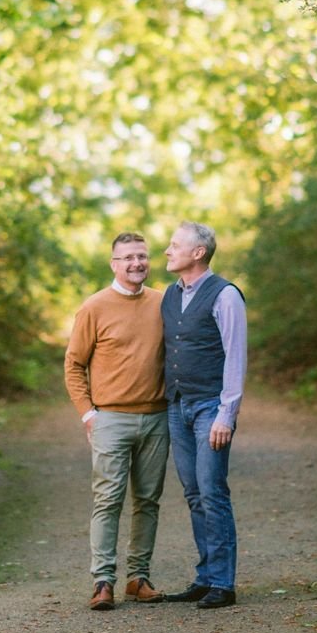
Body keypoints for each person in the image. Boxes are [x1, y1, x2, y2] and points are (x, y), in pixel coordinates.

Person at [64, 232, 170, 611]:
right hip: (111, 418)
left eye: (141, 256)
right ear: (114, 264)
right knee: (107, 500)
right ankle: (102, 581)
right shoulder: (93, 308)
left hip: (157, 417)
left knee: (148, 501)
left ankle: (138, 578)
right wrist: (88, 412)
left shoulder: (163, 302)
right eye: (127, 257)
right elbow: (74, 364)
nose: (136, 263)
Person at [161, 221, 247, 610]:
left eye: (175, 245)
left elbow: (235, 355)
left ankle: (223, 583)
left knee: (213, 492)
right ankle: (205, 577)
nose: (167, 250)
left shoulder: (225, 295)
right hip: (177, 406)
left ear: (198, 253)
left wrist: (226, 414)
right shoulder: (169, 294)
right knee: (194, 494)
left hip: (211, 406)